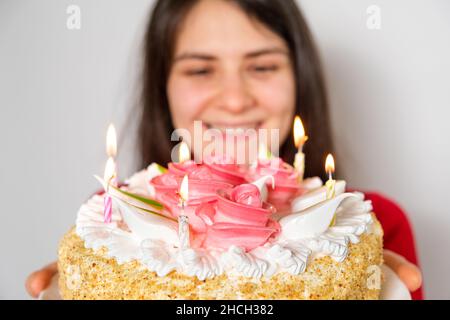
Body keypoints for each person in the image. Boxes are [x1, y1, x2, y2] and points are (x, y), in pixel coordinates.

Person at [26, 0, 423, 299]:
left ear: (300, 78)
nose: (234, 100)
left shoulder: (373, 226)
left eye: (262, 66)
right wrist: (104, 280)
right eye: (200, 70)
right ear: (162, 87)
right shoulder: (115, 220)